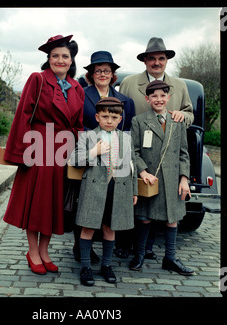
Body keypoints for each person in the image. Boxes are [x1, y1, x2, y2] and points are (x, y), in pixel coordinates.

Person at [3, 35, 85, 275]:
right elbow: (23, 115)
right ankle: (33, 251)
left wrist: (77, 152)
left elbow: (79, 124)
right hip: (38, 149)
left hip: (63, 152)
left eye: (65, 56)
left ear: (71, 61)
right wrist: (22, 154)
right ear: (48, 59)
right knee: (36, 204)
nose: (60, 60)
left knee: (55, 204)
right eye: (55, 56)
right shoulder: (37, 80)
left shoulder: (77, 87)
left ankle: (45, 251)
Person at [117, 37, 194, 259]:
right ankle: (126, 244)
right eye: (152, 58)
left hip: (168, 151)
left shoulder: (179, 85)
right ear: (145, 61)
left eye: (161, 58)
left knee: (157, 208)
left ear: (167, 60)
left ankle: (149, 249)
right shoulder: (130, 83)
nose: (157, 62)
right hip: (136, 152)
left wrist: (182, 115)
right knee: (134, 203)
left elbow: (189, 113)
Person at [72, 51, 135, 263]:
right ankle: (81, 250)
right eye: (97, 70)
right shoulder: (81, 94)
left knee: (109, 214)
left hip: (114, 157)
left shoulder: (124, 100)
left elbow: (127, 131)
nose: (102, 74)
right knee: (85, 205)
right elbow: (76, 124)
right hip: (90, 151)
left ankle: (105, 258)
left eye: (106, 71)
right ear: (91, 74)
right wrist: (95, 141)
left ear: (112, 75)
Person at [70, 97, 138, 286]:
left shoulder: (125, 138)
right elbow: (74, 159)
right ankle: (85, 267)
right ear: (97, 117)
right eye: (105, 116)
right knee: (88, 226)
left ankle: (106, 266)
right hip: (93, 188)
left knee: (110, 227)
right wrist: (94, 152)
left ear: (120, 118)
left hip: (118, 189)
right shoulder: (89, 136)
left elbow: (132, 166)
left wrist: (135, 191)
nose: (109, 120)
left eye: (114, 116)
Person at [129, 80, 194, 276]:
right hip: (151, 178)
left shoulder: (177, 121)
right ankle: (139, 254)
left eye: (162, 96)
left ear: (168, 98)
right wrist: (142, 172)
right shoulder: (139, 121)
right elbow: (134, 151)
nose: (159, 99)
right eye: (154, 96)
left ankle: (170, 258)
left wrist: (184, 179)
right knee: (144, 217)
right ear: (147, 99)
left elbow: (184, 152)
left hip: (173, 179)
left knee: (171, 219)